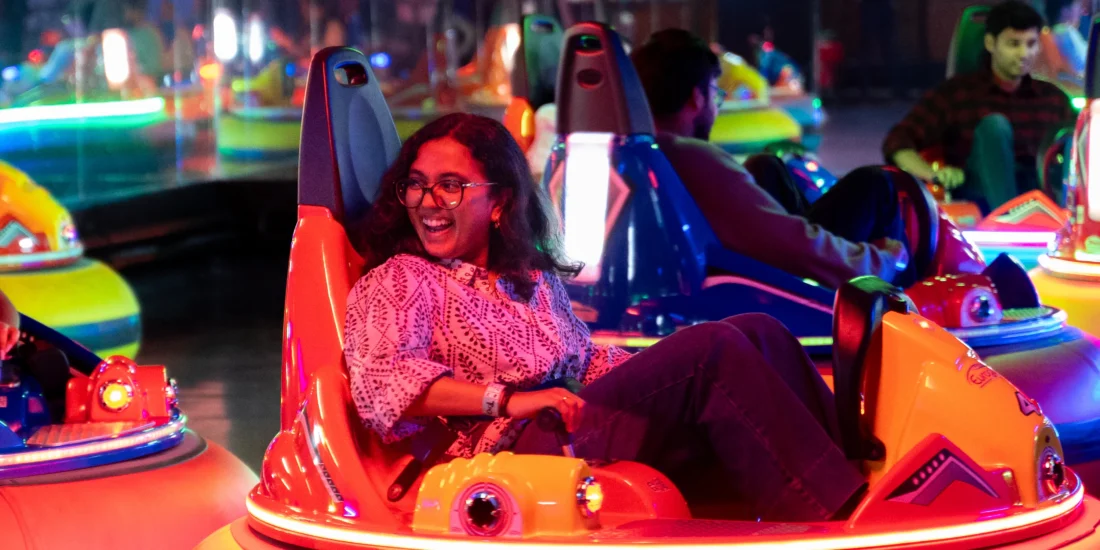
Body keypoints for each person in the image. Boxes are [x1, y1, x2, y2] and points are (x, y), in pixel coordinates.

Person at [344, 113, 867, 522]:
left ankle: (858, 479)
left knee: (754, 331)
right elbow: (385, 385)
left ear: (500, 203)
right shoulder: (402, 279)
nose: (428, 202)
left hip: (563, 422)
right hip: (497, 455)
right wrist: (508, 399)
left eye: (450, 185)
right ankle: (835, 516)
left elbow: (585, 358)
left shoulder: (527, 278)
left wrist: (665, 368)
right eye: (417, 184)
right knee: (713, 352)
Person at [630, 29, 910, 290]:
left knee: (766, 166)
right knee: (876, 184)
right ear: (696, 98)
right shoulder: (691, 157)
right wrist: (881, 260)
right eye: (715, 93)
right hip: (759, 291)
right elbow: (791, 243)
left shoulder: (631, 154)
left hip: (725, 268)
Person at [883, 0, 1075, 213]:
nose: (1024, 54)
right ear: (991, 43)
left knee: (1069, 138)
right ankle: (1009, 219)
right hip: (982, 200)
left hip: (1042, 195)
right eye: (1014, 44)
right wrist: (933, 174)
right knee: (995, 126)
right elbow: (898, 142)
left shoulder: (1052, 99)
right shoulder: (958, 94)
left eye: (1031, 44)